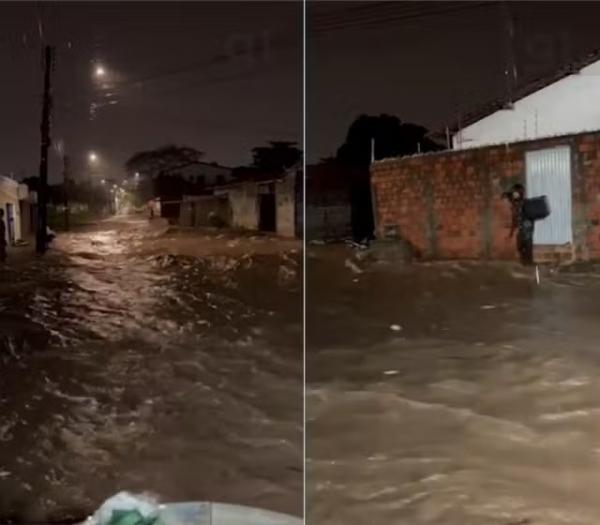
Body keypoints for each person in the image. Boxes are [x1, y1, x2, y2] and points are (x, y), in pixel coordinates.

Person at [506, 183, 534, 266]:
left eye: (515, 192)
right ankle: (525, 262)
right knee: (521, 246)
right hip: (523, 229)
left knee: (526, 245)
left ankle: (528, 262)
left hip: (526, 228)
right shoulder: (515, 204)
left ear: (520, 192)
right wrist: (511, 233)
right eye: (514, 192)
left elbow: (516, 218)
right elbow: (514, 219)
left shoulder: (524, 203)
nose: (514, 194)